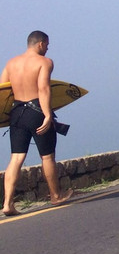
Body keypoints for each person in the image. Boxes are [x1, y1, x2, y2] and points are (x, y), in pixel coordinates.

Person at [2, 31, 73, 215]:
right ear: (40, 44)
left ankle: (8, 204)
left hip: (17, 113)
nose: (48, 48)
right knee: (47, 156)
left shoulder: (11, 63)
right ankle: (55, 196)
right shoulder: (44, 62)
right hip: (36, 112)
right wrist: (48, 115)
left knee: (16, 158)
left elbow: (3, 92)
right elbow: (43, 89)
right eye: (47, 45)